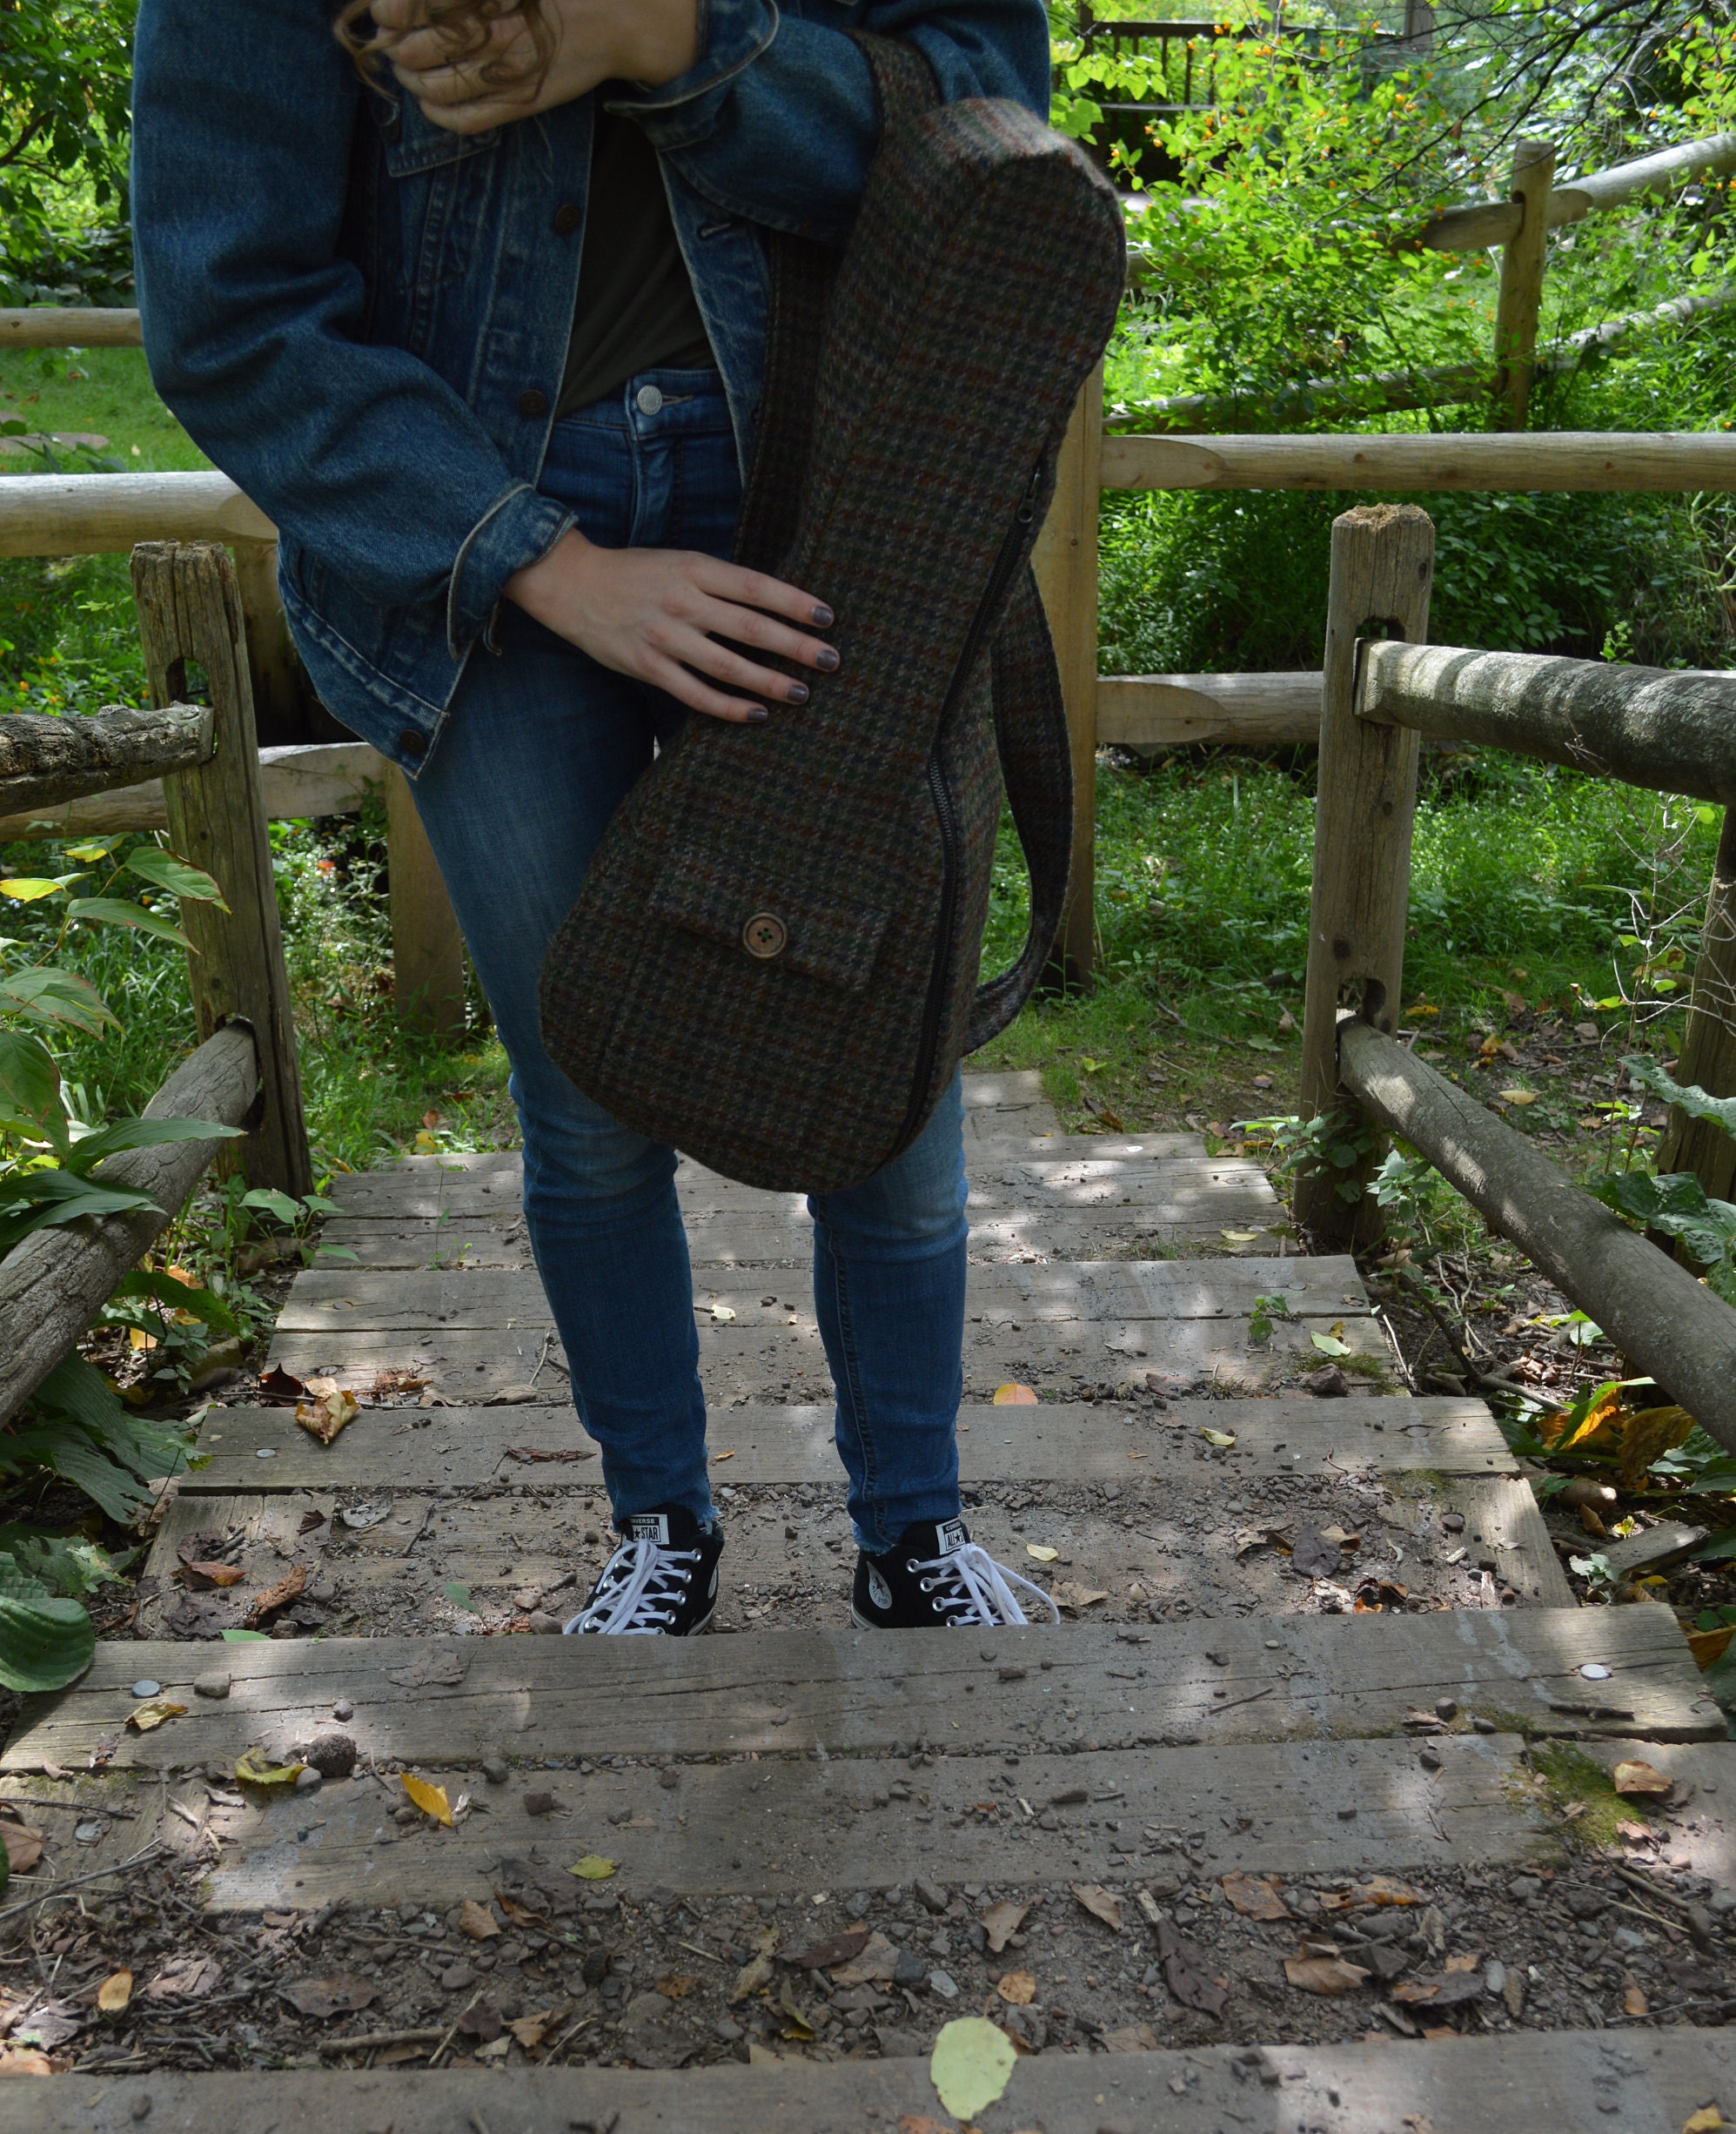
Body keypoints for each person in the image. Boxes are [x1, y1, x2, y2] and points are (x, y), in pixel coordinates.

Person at [131, 0, 1060, 1636]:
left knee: (887, 1046)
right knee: (584, 1085)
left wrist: (666, 38)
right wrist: (545, 563)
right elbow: (229, 307)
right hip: (469, 550)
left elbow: (988, 123)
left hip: (836, 498)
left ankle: (913, 1530)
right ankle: (661, 1522)